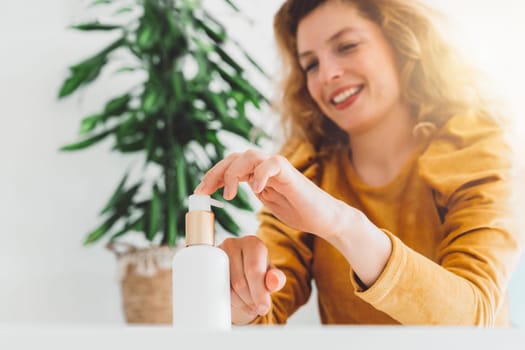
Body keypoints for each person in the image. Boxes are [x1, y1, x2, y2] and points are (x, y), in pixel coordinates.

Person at [194, 0, 521, 326]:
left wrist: (342, 224)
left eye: (347, 46)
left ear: (401, 43)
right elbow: (264, 314)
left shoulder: (478, 150)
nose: (328, 74)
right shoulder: (307, 169)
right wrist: (239, 300)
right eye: (310, 65)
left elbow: (473, 320)